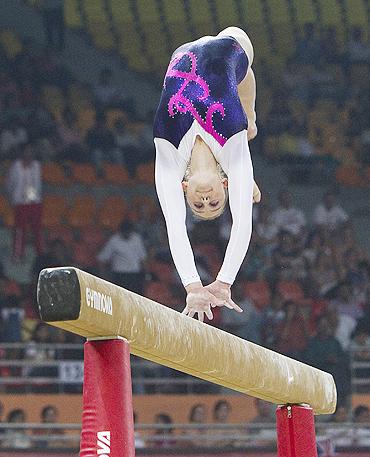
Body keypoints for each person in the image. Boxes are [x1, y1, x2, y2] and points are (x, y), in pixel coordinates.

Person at [154, 27, 261, 321]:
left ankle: (251, 124)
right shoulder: (232, 146)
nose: (205, 201)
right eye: (214, 203)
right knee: (244, 74)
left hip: (182, 52)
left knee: (241, 99)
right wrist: (224, 282)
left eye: (197, 205)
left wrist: (193, 286)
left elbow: (175, 227)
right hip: (233, 43)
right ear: (224, 185)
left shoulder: (168, 155)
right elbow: (242, 224)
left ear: (183, 187)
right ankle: (252, 120)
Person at [6, 142, 43, 259]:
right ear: (22, 152)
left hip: (34, 201)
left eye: (31, 151)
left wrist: (33, 197)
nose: (29, 153)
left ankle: (40, 254)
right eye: (27, 151)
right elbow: (10, 184)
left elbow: (37, 184)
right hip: (20, 203)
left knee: (37, 229)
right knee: (20, 230)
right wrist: (14, 198)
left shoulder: (36, 166)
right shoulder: (16, 166)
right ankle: (17, 255)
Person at [97, 220, 147, 295]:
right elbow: (102, 258)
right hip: (119, 275)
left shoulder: (137, 239)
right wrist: (104, 276)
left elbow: (143, 258)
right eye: (125, 232)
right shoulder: (114, 240)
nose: (126, 234)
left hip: (135, 275)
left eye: (128, 232)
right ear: (121, 231)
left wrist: (146, 274)